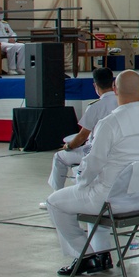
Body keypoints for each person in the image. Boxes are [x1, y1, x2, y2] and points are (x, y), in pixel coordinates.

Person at [45, 70, 139, 276]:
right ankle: (102, 254)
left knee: (55, 202)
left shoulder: (110, 123)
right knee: (94, 203)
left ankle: (86, 257)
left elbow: (93, 163)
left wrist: (81, 181)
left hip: (110, 200)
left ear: (115, 89)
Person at [39, 67, 118, 207]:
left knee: (59, 157)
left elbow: (82, 136)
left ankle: (55, 199)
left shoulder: (95, 106)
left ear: (95, 85)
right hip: (116, 150)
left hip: (95, 151)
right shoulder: (121, 102)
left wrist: (69, 146)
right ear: (113, 83)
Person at [0, 7, 25, 75]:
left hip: (7, 43)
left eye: (2, 12)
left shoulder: (5, 23)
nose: (2, 14)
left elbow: (13, 33)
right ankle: (11, 69)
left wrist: (13, 38)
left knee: (22, 46)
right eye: (0, 12)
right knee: (12, 47)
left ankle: (20, 68)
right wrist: (7, 40)